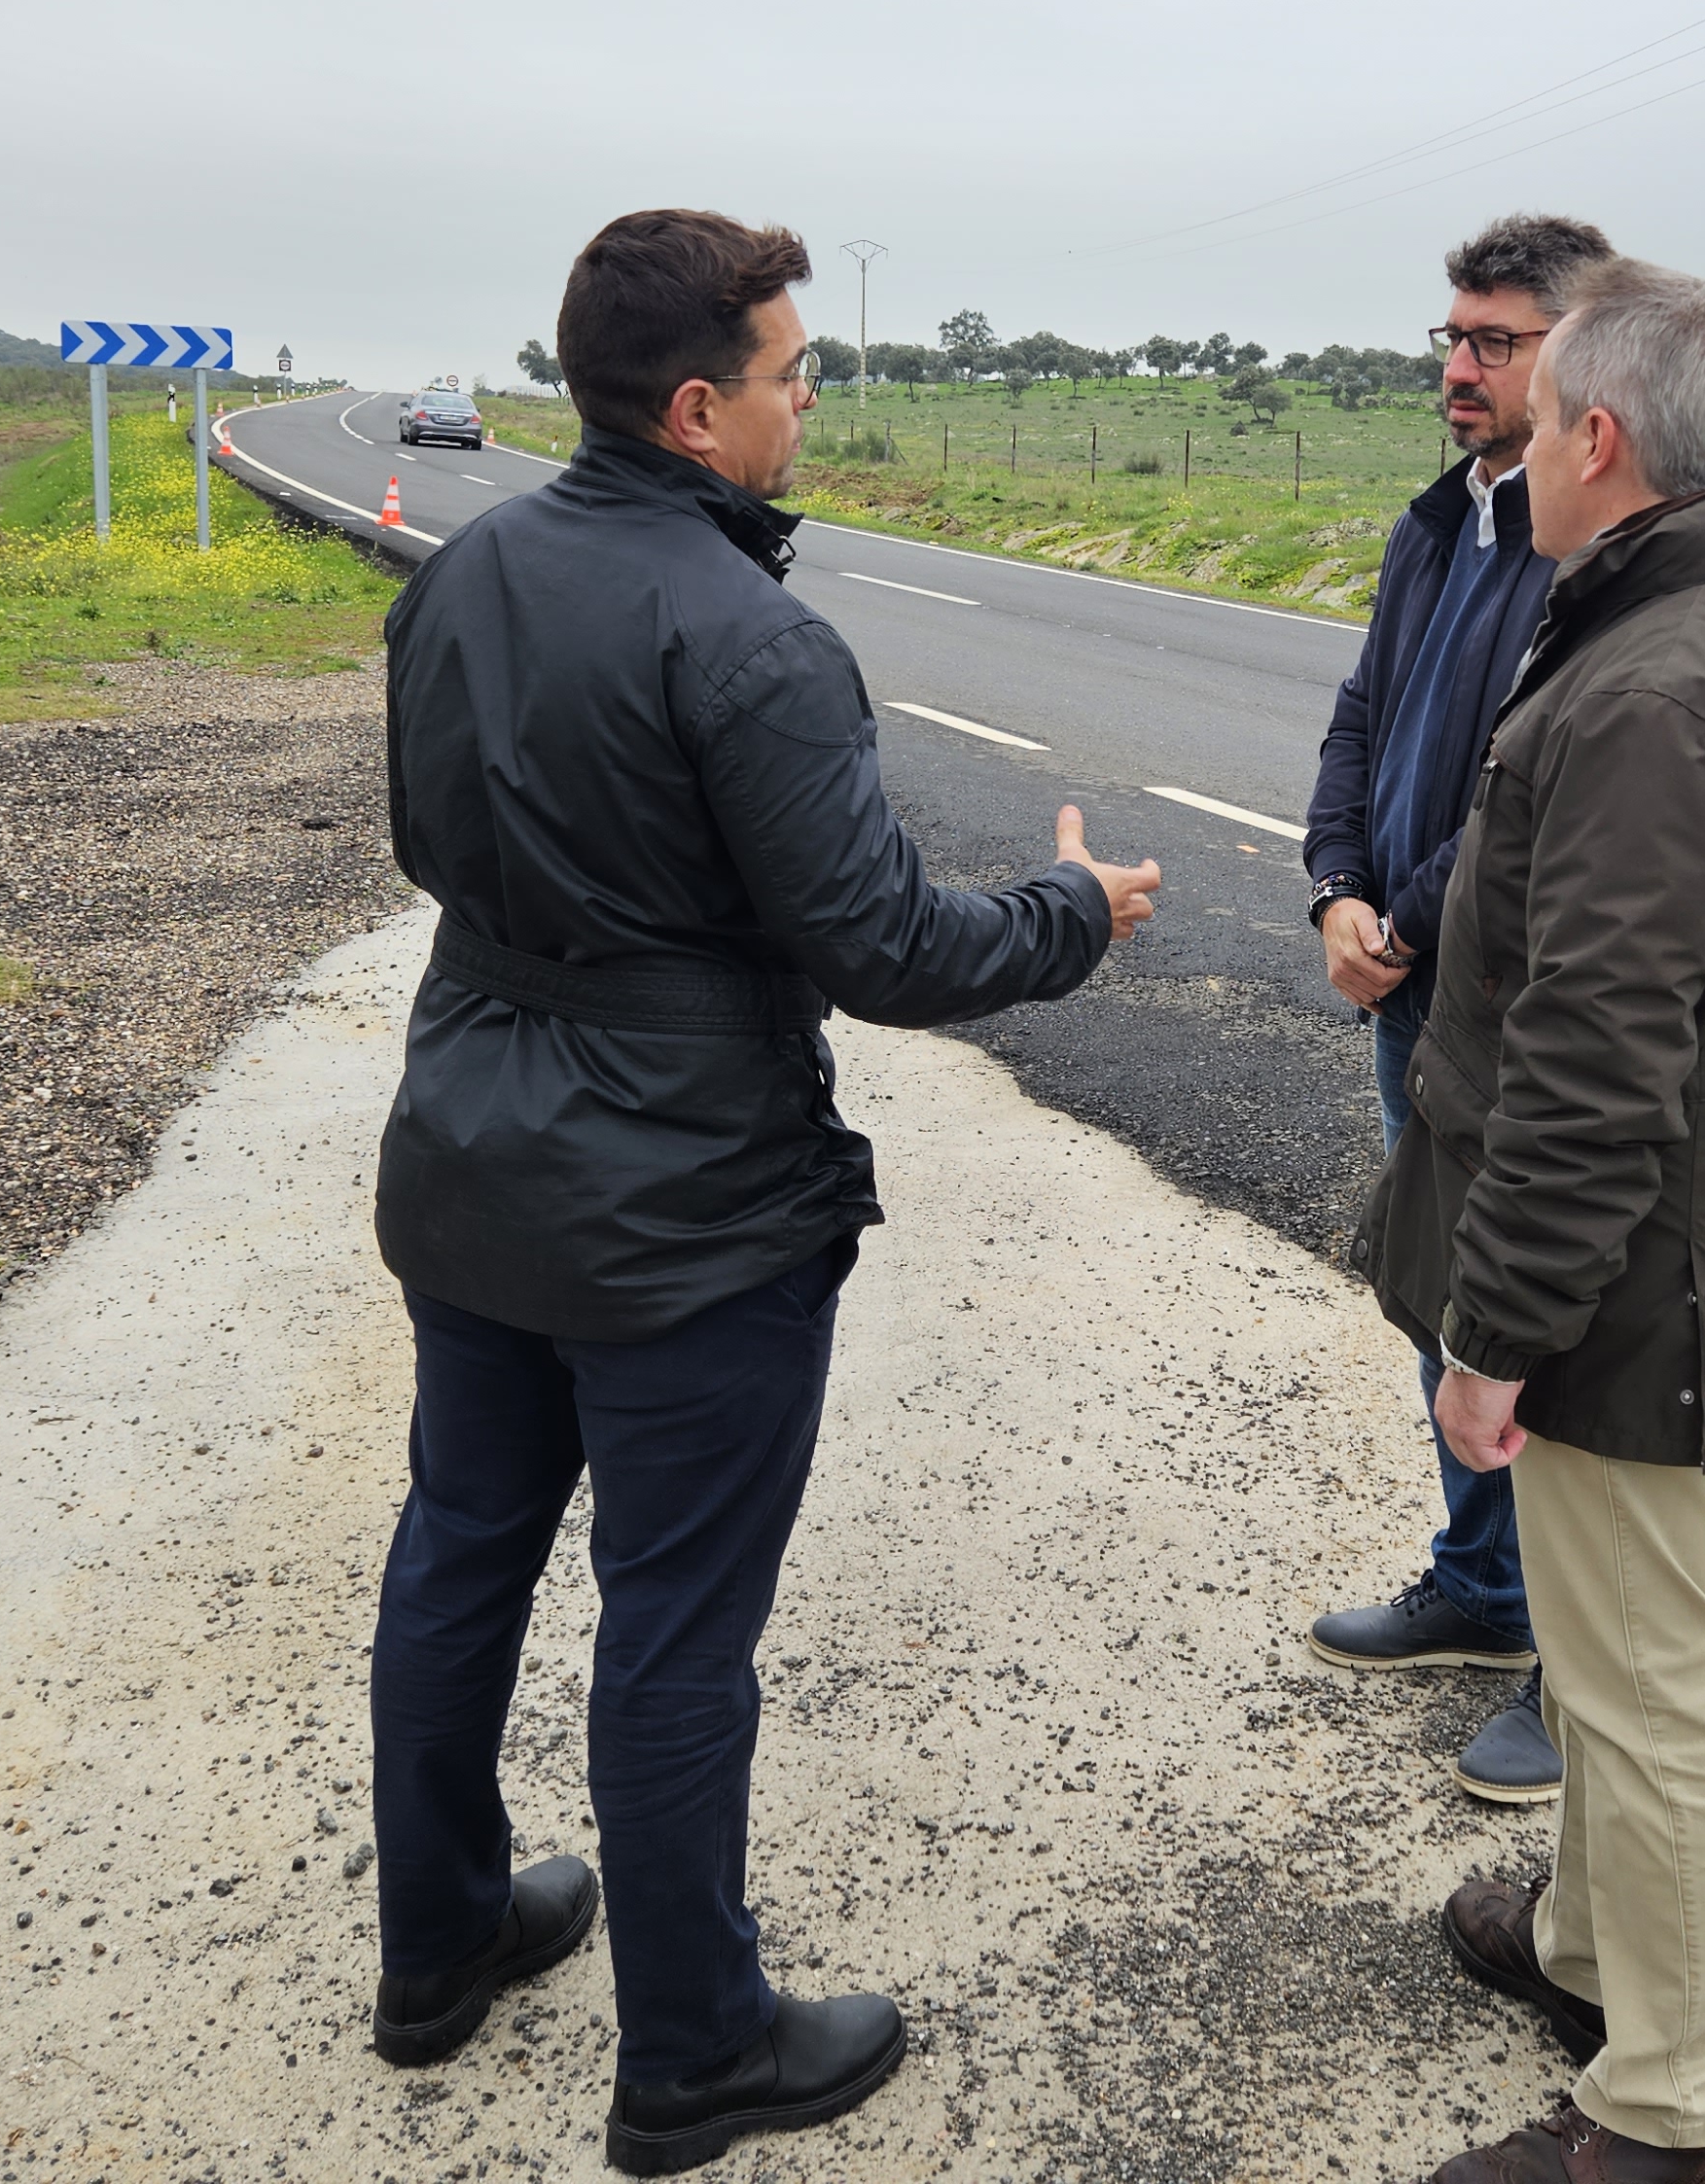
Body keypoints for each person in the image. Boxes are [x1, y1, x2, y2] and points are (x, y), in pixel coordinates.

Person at [366, 209, 1162, 2177]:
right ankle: (698, 2051)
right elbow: (880, 946)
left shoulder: (455, 578)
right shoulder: (752, 638)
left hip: (467, 1143)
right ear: (703, 408)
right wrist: (1066, 911)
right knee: (673, 1630)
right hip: (683, 1212)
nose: (815, 403)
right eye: (798, 375)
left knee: (460, 1548)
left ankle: (440, 1939)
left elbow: (425, 848)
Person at [1368, 258, 1705, 2184]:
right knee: (1605, 1649)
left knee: (1653, 1693)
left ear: (1597, 436)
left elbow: (1594, 1061)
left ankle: (1665, 2112)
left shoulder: (1658, 684)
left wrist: (1490, 1332)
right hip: (1679, 1248)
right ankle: (1584, 1943)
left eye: (1537, 397)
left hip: (1639, 1276)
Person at [1298, 211, 1616, 1804]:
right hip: (1408, 981)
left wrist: (1398, 921)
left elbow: (1518, 805)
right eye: (1455, 335)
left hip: (1499, 992)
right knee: (1440, 1295)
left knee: (1536, 1325)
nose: (1459, 367)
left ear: (1582, 359)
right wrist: (1333, 889)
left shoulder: (1581, 553)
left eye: (1498, 343)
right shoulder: (1443, 522)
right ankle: (1482, 1590)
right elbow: (1364, 716)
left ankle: (1577, 1671)